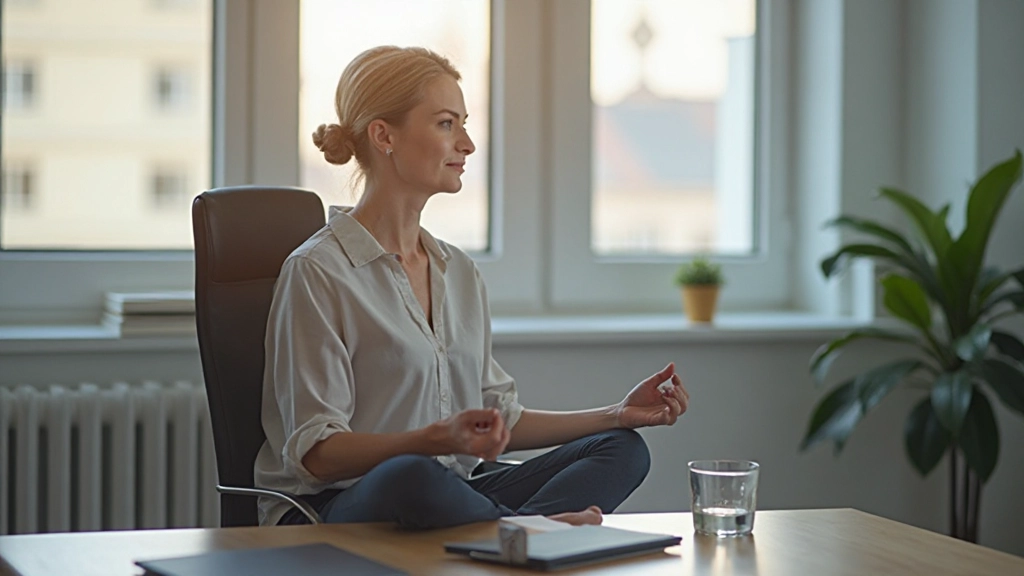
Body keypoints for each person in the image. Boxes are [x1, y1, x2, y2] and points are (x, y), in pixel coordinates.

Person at [254, 45, 690, 529]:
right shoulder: (318, 271)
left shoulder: (456, 271)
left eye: (464, 122)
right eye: (446, 123)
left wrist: (617, 413)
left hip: (450, 495)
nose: (467, 144)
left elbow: (500, 416)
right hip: (336, 508)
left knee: (623, 449)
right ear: (384, 135)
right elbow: (318, 455)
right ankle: (532, 534)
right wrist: (434, 440)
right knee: (411, 475)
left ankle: (515, 534)